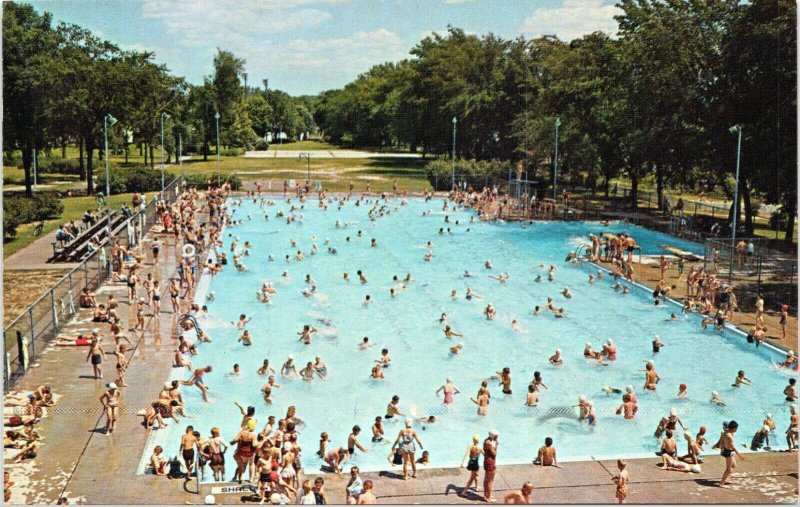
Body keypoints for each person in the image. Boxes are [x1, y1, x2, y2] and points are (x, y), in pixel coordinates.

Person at [719, 420, 744, 488]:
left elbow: (721, 442)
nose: (736, 430)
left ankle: (726, 478)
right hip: (728, 452)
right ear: (733, 428)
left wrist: (721, 449)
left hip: (726, 450)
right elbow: (733, 447)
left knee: (734, 465)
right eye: (736, 428)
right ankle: (721, 484)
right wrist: (740, 455)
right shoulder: (729, 436)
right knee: (728, 469)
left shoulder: (726, 432)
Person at [483, 430, 499, 502]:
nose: (497, 437)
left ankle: (486, 495)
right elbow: (494, 454)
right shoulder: (489, 443)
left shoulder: (485, 440)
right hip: (490, 463)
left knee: (486, 479)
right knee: (490, 481)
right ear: (493, 436)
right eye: (496, 436)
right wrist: (496, 445)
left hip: (486, 462)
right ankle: (488, 498)